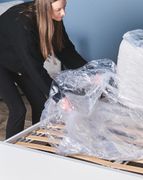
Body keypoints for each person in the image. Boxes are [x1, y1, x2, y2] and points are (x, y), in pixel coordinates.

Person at [0, 0, 87, 139]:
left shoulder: (53, 18)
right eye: (59, 9)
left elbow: (66, 51)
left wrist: (89, 72)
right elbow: (34, 68)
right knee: (18, 110)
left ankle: (39, 143)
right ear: (45, 7)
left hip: (19, 61)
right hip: (3, 62)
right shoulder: (23, 25)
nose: (63, 13)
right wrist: (59, 97)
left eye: (64, 8)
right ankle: (11, 152)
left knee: (40, 104)